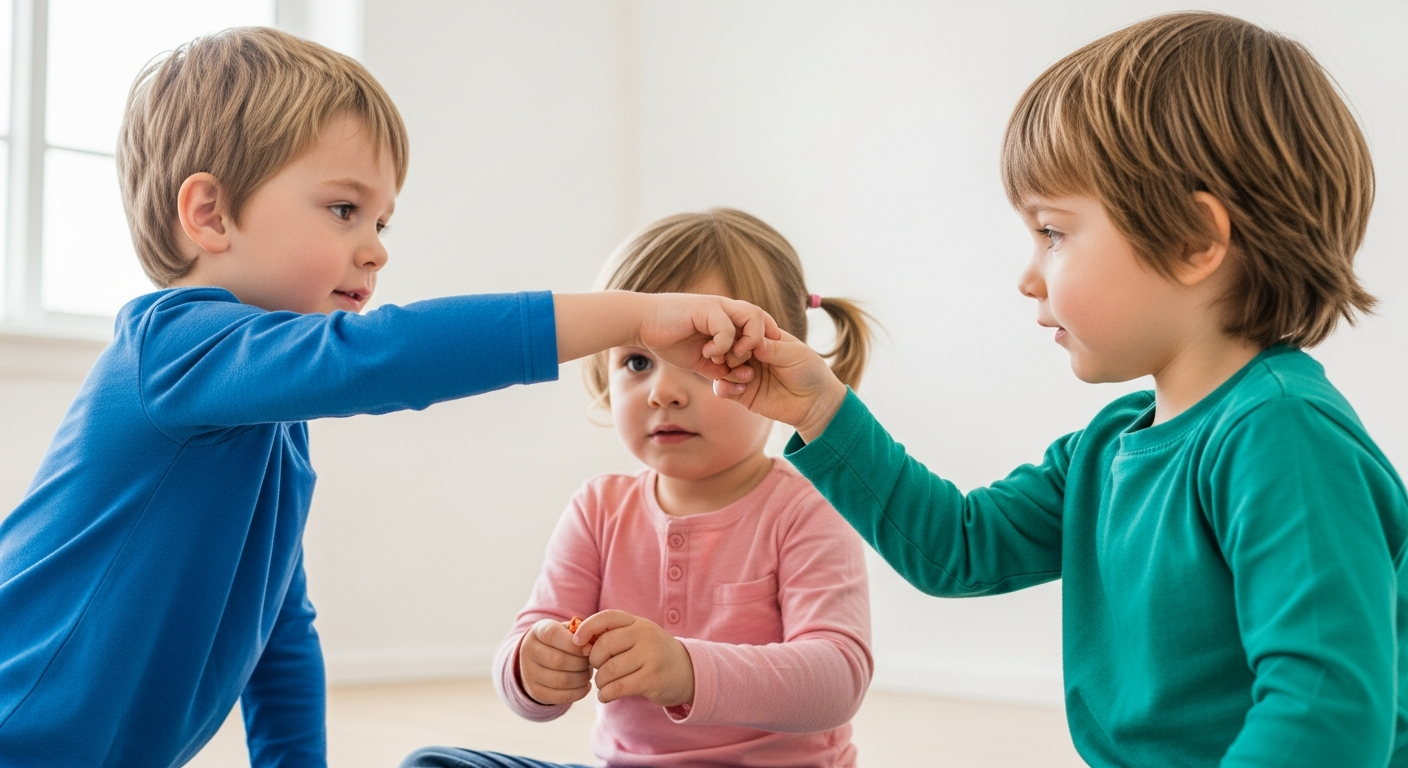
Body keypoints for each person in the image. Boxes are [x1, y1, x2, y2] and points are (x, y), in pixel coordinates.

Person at [0, 30, 776, 767]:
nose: (375, 247)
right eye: (344, 210)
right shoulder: (169, 348)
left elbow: (277, 631)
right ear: (210, 214)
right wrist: (635, 315)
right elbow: (380, 359)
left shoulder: (270, 423)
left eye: (381, 220)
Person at [715, 12, 1408, 767]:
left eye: (1053, 232)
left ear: (1193, 241)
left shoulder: (1283, 434)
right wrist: (821, 408)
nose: (1027, 275)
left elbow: (1326, 716)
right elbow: (959, 547)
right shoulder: (1111, 445)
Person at [402, 209, 875, 768]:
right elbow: (535, 633)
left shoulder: (808, 509)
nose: (664, 391)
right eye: (635, 360)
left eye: (704, 359)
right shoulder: (599, 508)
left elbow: (838, 677)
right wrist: (532, 668)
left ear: (780, 367)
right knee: (432, 764)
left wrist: (685, 670)